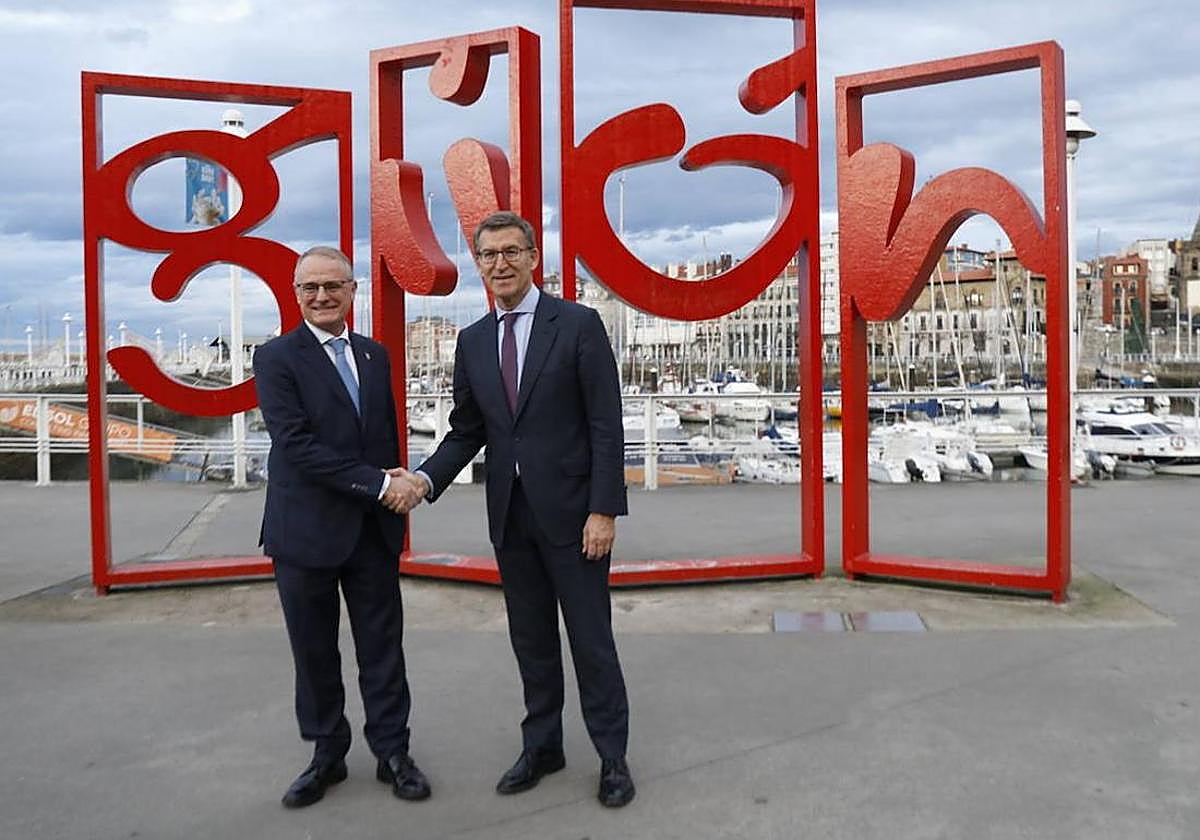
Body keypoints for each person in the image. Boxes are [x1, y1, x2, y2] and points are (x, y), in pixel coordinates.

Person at [393, 211, 635, 808]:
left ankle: (612, 758)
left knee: (591, 642)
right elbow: (466, 430)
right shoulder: (473, 341)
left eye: (510, 251)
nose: (499, 263)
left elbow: (606, 425)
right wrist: (424, 479)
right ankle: (543, 747)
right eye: (488, 255)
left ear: (532, 258)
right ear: (478, 264)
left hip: (576, 519)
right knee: (531, 641)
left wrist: (603, 510)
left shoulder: (577, 325)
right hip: (510, 516)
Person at [254, 246, 431, 809]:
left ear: (353, 291)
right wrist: (380, 484)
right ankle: (326, 753)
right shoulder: (276, 358)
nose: (322, 296)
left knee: (383, 649)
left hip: (370, 534)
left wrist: (397, 478)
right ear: (296, 293)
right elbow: (296, 445)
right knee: (314, 652)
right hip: (304, 532)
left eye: (333, 285)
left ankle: (392, 752)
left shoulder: (375, 355)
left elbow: (381, 436)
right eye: (310, 287)